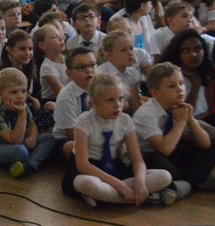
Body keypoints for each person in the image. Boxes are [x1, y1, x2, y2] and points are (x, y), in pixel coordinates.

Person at [62, 74, 175, 207]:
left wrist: (140, 181)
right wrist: (119, 185)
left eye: (120, 99)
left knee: (164, 176)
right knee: (84, 183)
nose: (117, 105)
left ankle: (106, 199)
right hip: (90, 170)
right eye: (110, 100)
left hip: (114, 167)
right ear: (94, 103)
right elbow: (83, 166)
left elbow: (137, 160)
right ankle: (141, 198)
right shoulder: (84, 122)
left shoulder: (126, 120)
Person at [132, 62, 215, 194]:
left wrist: (190, 119)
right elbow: (165, 149)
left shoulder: (179, 107)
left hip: (171, 150)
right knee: (164, 167)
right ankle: (198, 178)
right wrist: (181, 122)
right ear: (155, 93)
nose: (180, 89)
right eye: (172, 86)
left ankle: (187, 182)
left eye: (181, 83)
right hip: (146, 156)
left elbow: (205, 144)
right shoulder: (146, 114)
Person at [0, 67, 56, 177]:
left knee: (49, 138)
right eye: (14, 92)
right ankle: (26, 161)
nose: (20, 96)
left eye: (24, 91)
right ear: (0, 95)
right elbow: (15, 140)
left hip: (12, 143)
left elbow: (31, 124)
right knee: (21, 151)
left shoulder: (21, 104)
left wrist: (32, 138)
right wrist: (22, 113)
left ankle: (30, 165)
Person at [53, 47, 98, 159]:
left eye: (92, 65)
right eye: (81, 67)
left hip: (98, 134)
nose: (89, 70)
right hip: (69, 138)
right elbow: (71, 134)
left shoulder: (101, 89)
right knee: (71, 146)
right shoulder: (66, 96)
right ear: (69, 73)